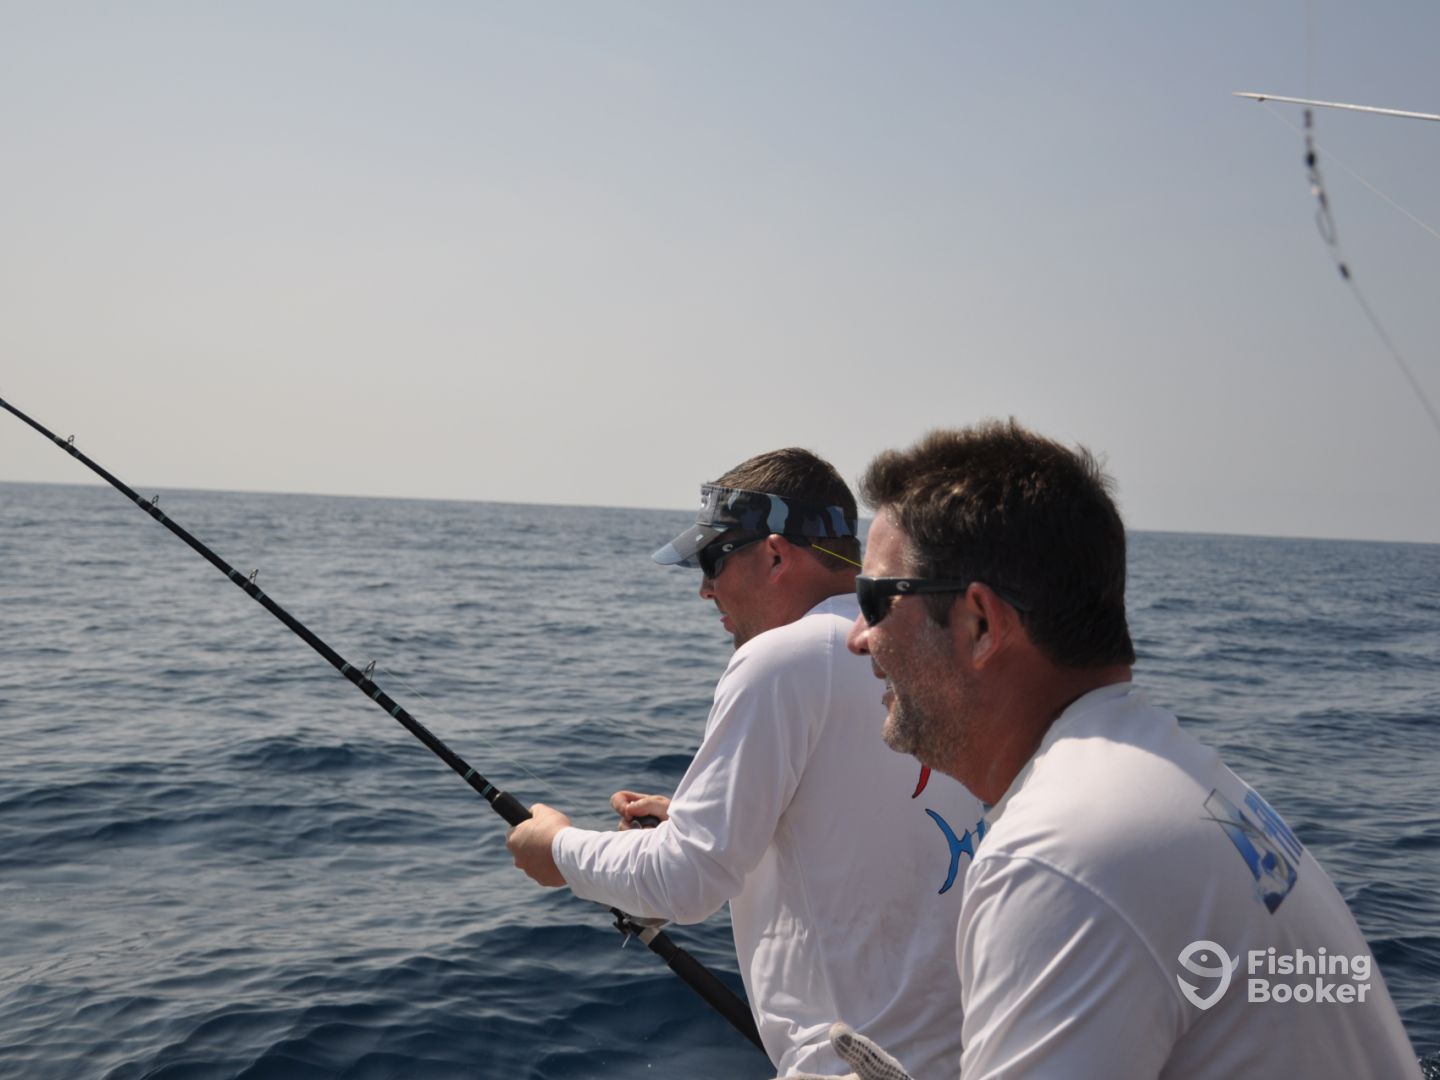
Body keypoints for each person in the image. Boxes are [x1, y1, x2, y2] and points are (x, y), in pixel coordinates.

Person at [812, 420, 1420, 1079]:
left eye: (874, 599)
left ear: (980, 624)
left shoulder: (1058, 855)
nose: (857, 637)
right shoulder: (1162, 774)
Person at [506, 448, 984, 1077]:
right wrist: (705, 818)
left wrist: (558, 849)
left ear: (776, 555)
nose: (705, 589)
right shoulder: (927, 645)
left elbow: (687, 880)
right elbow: (875, 829)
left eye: (713, 561)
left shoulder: (783, 658)